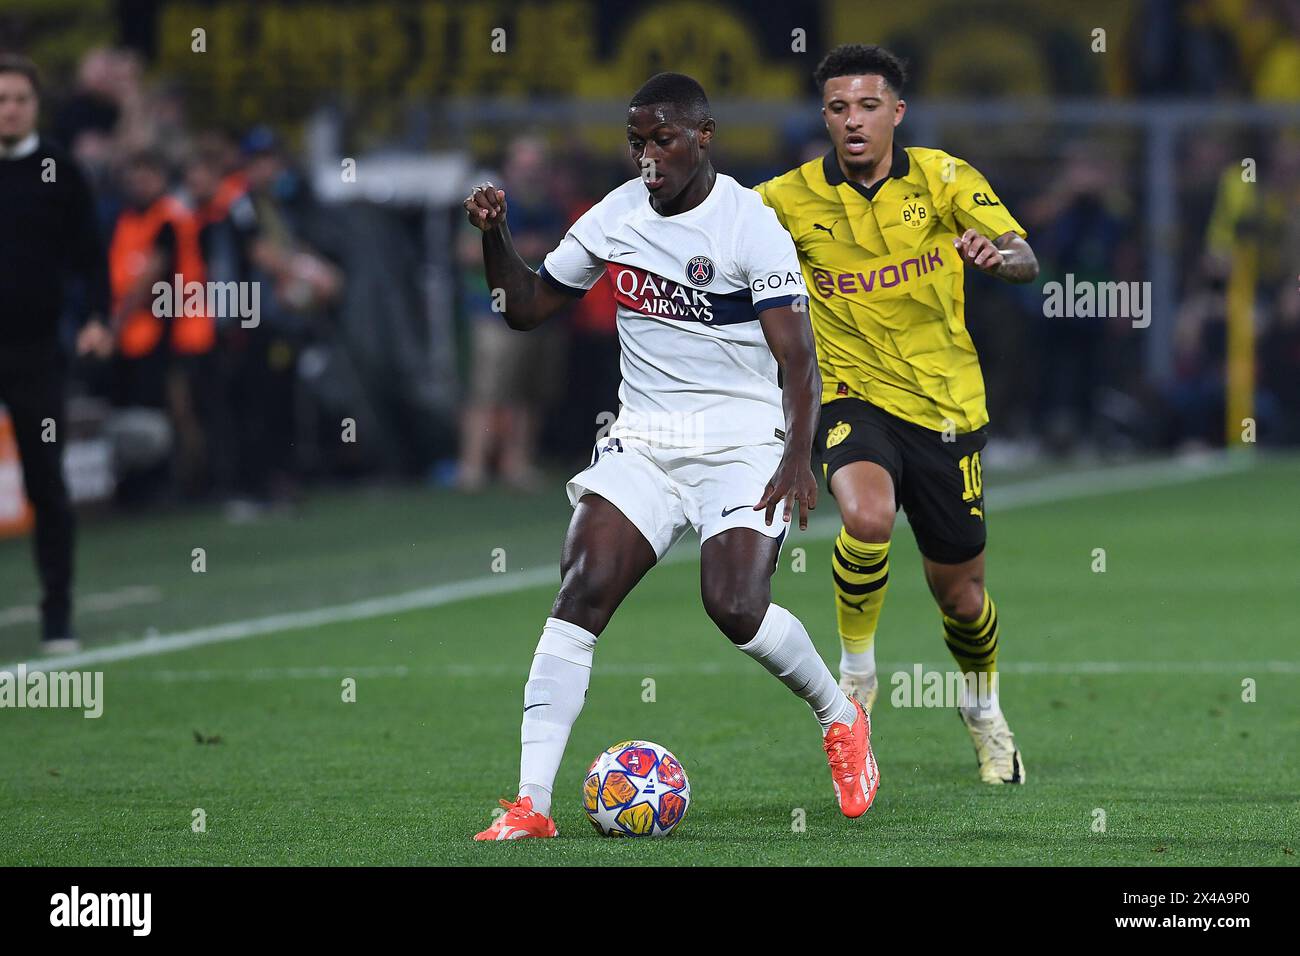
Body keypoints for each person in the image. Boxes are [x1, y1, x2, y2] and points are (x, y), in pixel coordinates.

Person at [467, 73, 877, 840]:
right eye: (635, 141)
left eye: (662, 139)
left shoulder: (749, 226)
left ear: (703, 136)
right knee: (581, 589)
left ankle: (839, 714)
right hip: (647, 441)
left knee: (734, 608)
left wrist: (795, 456)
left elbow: (799, 360)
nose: (647, 157)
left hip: (743, 440)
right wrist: (495, 235)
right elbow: (524, 308)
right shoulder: (616, 215)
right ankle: (530, 804)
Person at [755, 45, 1040, 784]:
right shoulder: (785, 198)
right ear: (824, 117)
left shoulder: (945, 177)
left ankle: (982, 710)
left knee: (964, 599)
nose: (854, 121)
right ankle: (858, 678)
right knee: (867, 518)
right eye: (839, 108)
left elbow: (1023, 255)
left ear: (896, 113)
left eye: (869, 106)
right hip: (853, 398)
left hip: (947, 408)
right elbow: (715, 238)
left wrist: (997, 256)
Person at [0, 54, 113, 653]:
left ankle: (57, 615)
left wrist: (98, 317)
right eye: (0, 99)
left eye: (19, 98)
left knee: (46, 480)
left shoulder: (58, 171)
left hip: (36, 351)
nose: (9, 108)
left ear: (35, 105)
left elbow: (91, 256)